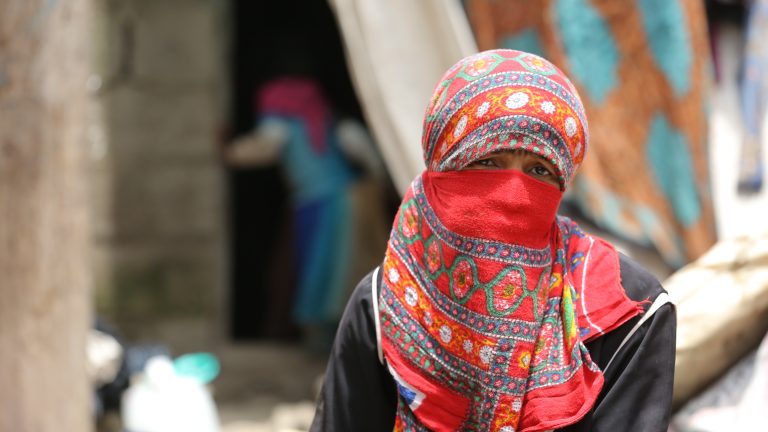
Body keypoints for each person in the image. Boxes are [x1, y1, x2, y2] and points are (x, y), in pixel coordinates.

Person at [310, 49, 676, 431]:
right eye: (487, 162)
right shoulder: (384, 306)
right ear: (442, 170)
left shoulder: (626, 312)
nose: (515, 194)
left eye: (539, 169)